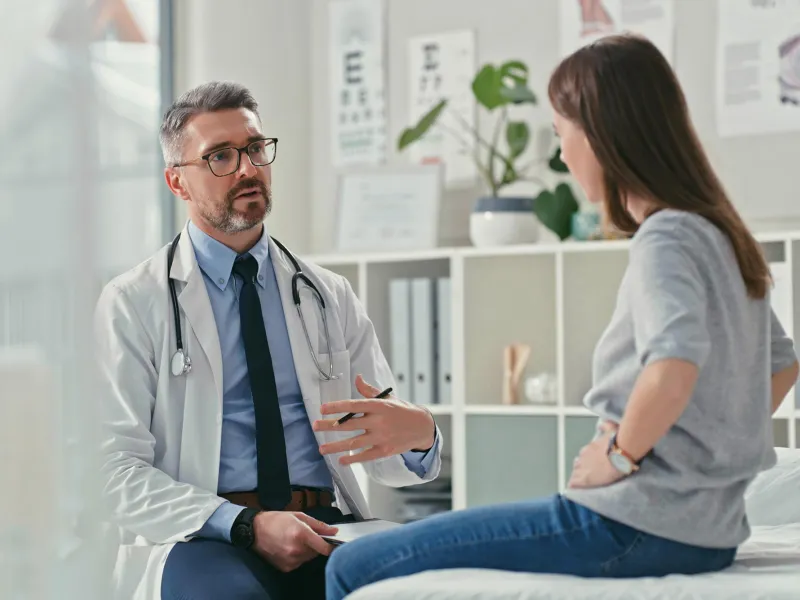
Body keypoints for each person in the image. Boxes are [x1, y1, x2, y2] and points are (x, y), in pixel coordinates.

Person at [324, 34, 800, 599]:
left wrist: (618, 458)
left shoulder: (667, 238)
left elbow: (673, 369)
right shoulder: (720, 234)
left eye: (561, 133)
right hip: (708, 532)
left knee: (352, 567)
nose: (562, 154)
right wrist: (704, 463)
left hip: (634, 522)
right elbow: (782, 366)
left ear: (601, 135)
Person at [93, 81, 443, 600]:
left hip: (326, 523)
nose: (247, 168)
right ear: (177, 182)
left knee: (425, 589)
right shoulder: (132, 302)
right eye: (220, 157)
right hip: (203, 533)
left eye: (255, 148)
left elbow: (381, 455)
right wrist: (243, 524)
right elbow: (112, 471)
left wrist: (420, 434)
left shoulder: (328, 294)